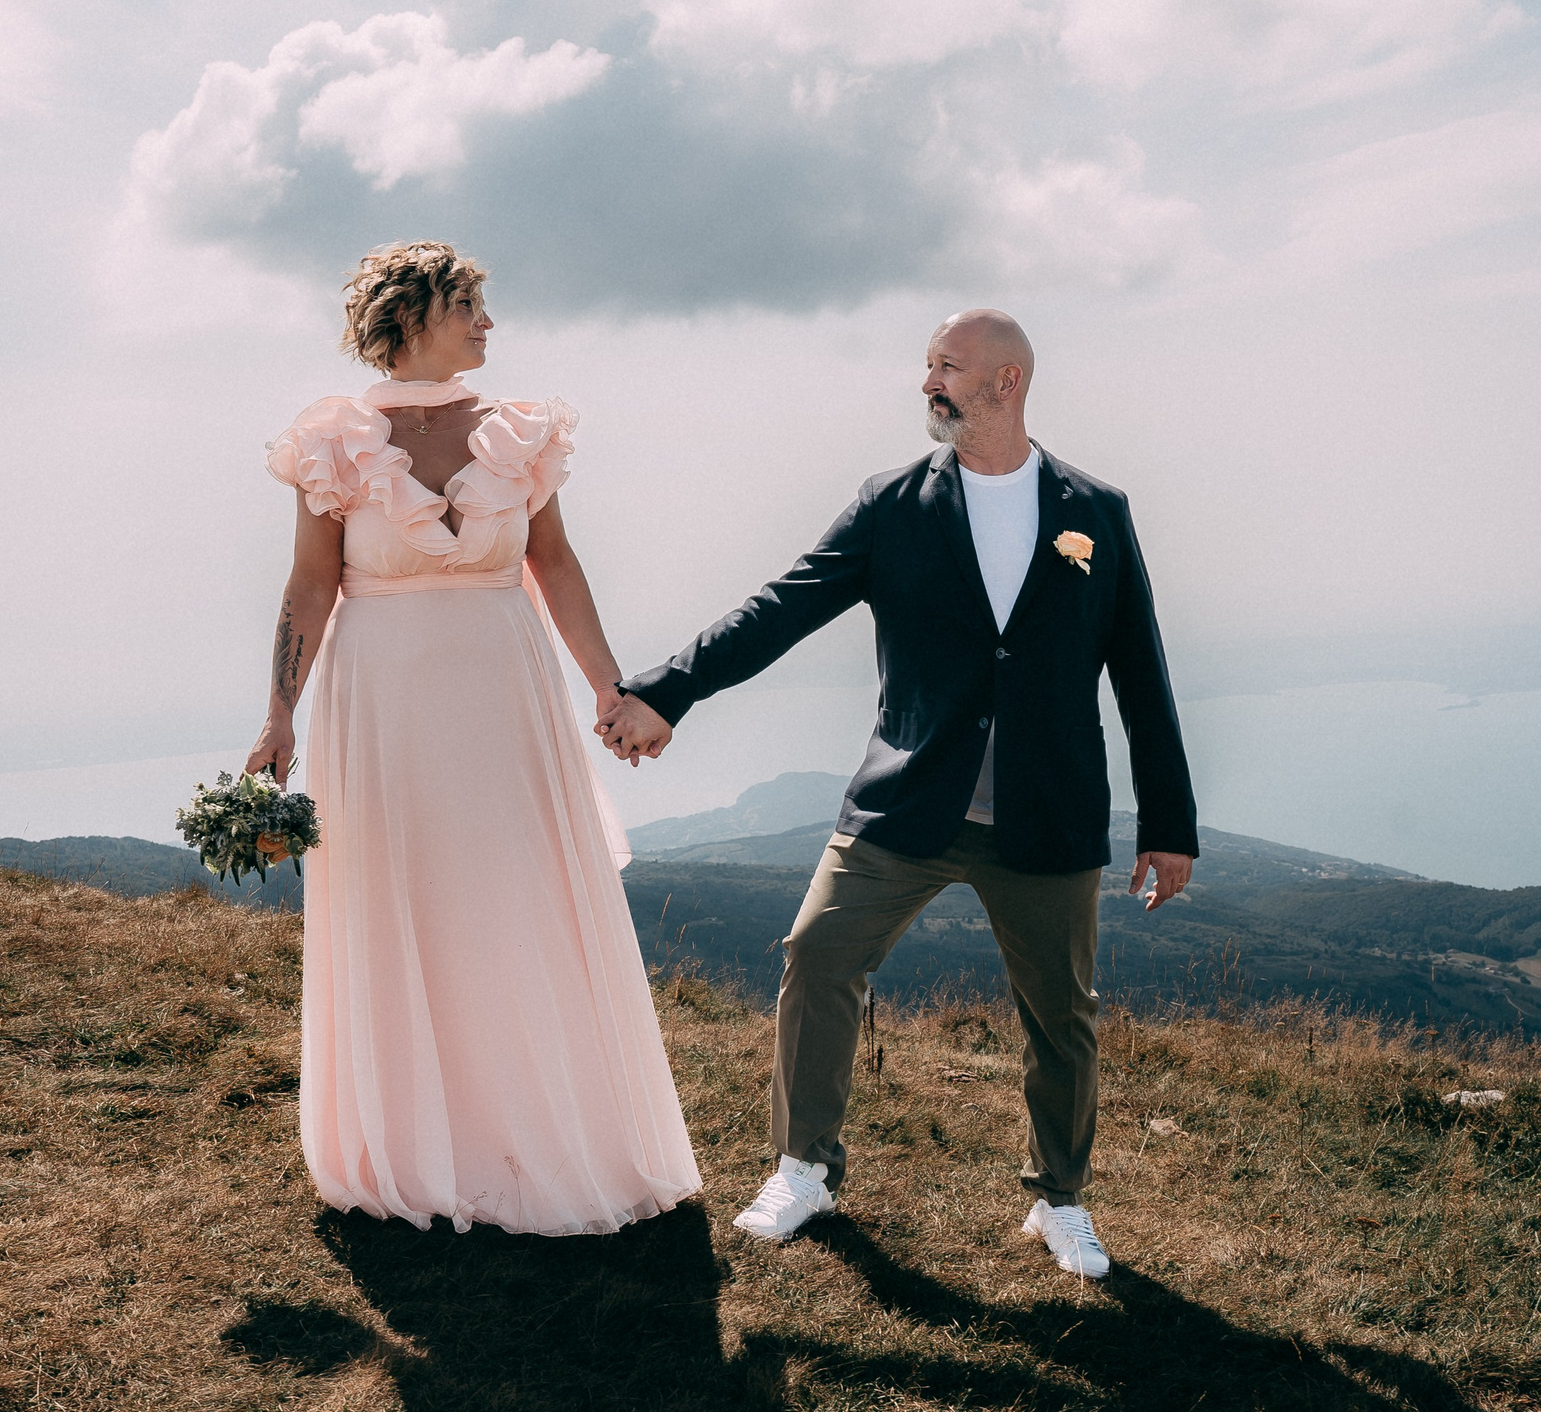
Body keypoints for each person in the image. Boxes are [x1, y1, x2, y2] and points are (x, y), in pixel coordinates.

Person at [596, 310, 1197, 1278]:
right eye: (927, 366)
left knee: (1060, 1014)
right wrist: (667, 689)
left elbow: (1140, 674)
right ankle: (804, 1167)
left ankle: (1060, 1202)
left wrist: (1168, 825)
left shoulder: (1098, 510)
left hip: (1047, 814)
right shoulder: (890, 504)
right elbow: (780, 606)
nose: (929, 382)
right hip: (909, 801)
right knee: (816, 955)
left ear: (1005, 382)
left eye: (947, 367)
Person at [249, 239, 700, 1236]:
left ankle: (542, 1132)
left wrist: (608, 689)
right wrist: (280, 712)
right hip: (381, 709)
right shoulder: (333, 436)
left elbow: (557, 566)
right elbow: (311, 583)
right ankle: (417, 1145)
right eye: (471, 308)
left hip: (506, 700)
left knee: (513, 898)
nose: (490, 326)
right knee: (403, 898)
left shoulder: (520, 433)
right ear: (412, 318)